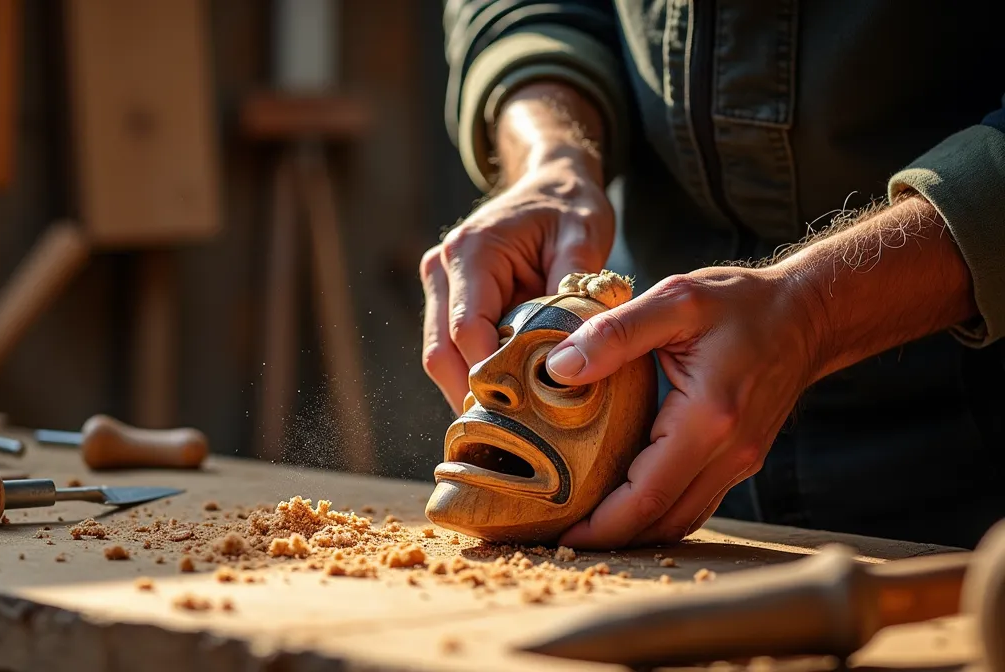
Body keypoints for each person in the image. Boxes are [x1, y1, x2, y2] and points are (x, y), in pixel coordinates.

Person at [422, 0, 1005, 551]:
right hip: (653, 428)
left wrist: (814, 310)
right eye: (505, 345)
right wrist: (550, 152)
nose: (484, 378)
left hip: (965, 454)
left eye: (554, 376)